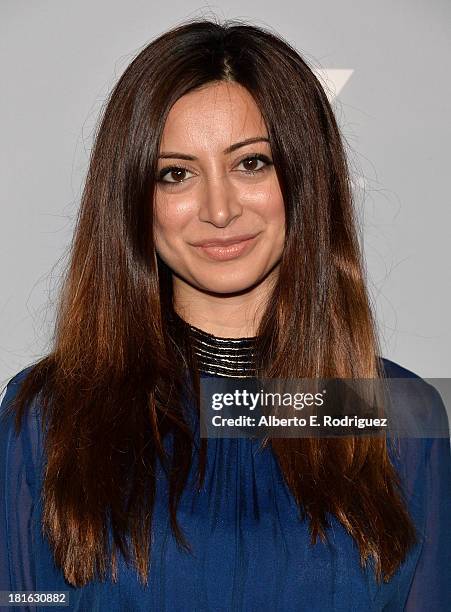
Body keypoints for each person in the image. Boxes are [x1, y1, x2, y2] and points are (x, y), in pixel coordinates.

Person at [0, 18, 450, 612]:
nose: (219, 209)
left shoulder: (396, 414)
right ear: (137, 199)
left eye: (251, 164)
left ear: (305, 178)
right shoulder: (50, 414)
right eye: (177, 173)